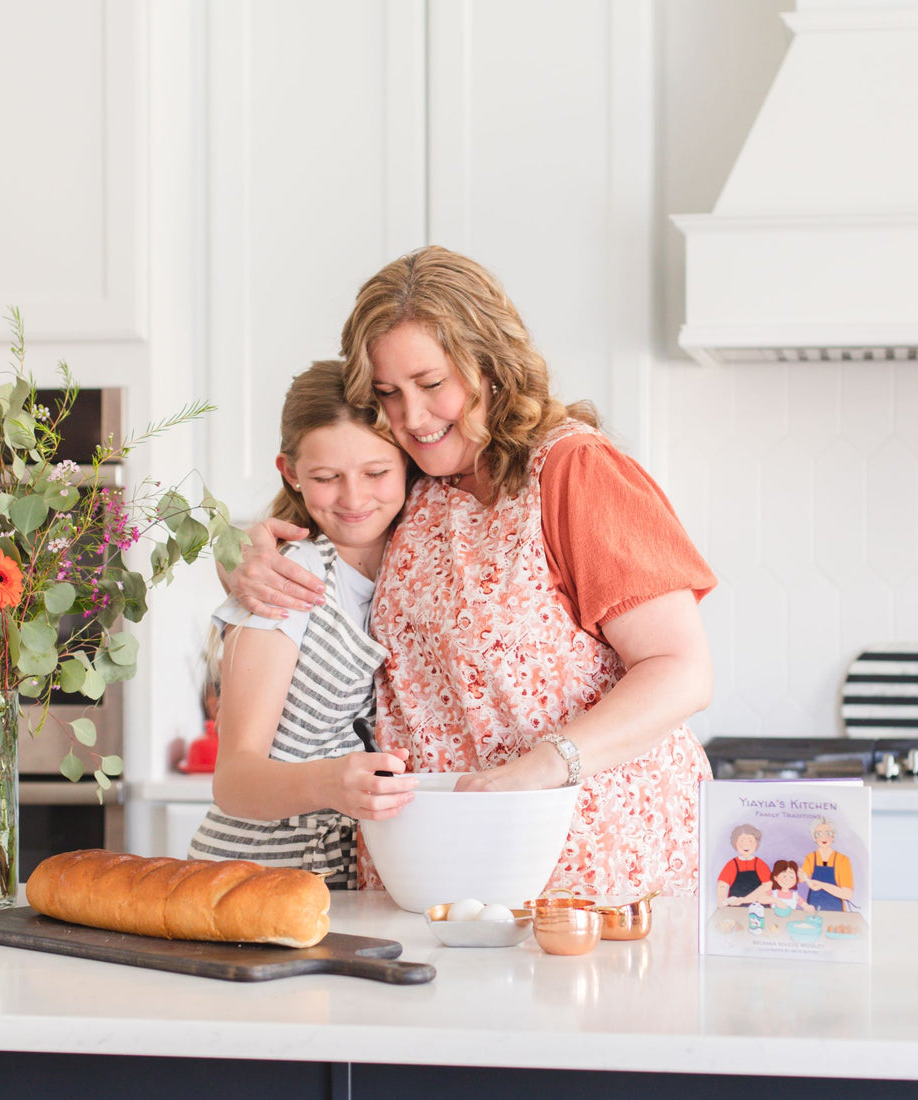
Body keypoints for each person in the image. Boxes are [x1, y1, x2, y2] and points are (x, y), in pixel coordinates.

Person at [221, 246, 716, 898]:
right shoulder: (416, 485)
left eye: (432, 385)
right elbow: (325, 539)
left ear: (490, 363)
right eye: (389, 395)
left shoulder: (572, 472)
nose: (414, 419)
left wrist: (543, 766)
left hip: (597, 861)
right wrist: (234, 556)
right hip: (443, 870)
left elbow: (681, 671)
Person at [188, 361, 417, 888]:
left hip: (345, 883)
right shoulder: (288, 579)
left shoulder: (416, 557)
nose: (355, 498)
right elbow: (234, 781)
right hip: (251, 878)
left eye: (376, 473)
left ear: (407, 461)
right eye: (325, 477)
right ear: (290, 472)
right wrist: (331, 781)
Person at [798, 816, 854, 912]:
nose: (824, 837)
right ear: (814, 837)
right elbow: (802, 878)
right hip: (814, 908)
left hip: (836, 910)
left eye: (828, 833)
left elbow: (847, 894)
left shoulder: (842, 860)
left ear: (833, 836)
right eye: (819, 834)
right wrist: (805, 878)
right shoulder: (810, 858)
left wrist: (822, 885)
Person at [715, 825, 772, 908]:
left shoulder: (760, 864)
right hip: (735, 906)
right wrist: (721, 900)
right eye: (742, 841)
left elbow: (767, 885)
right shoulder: (731, 865)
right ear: (735, 843)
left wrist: (746, 899)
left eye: (750, 841)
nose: (746, 844)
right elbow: (722, 885)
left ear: (756, 844)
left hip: (758, 906)